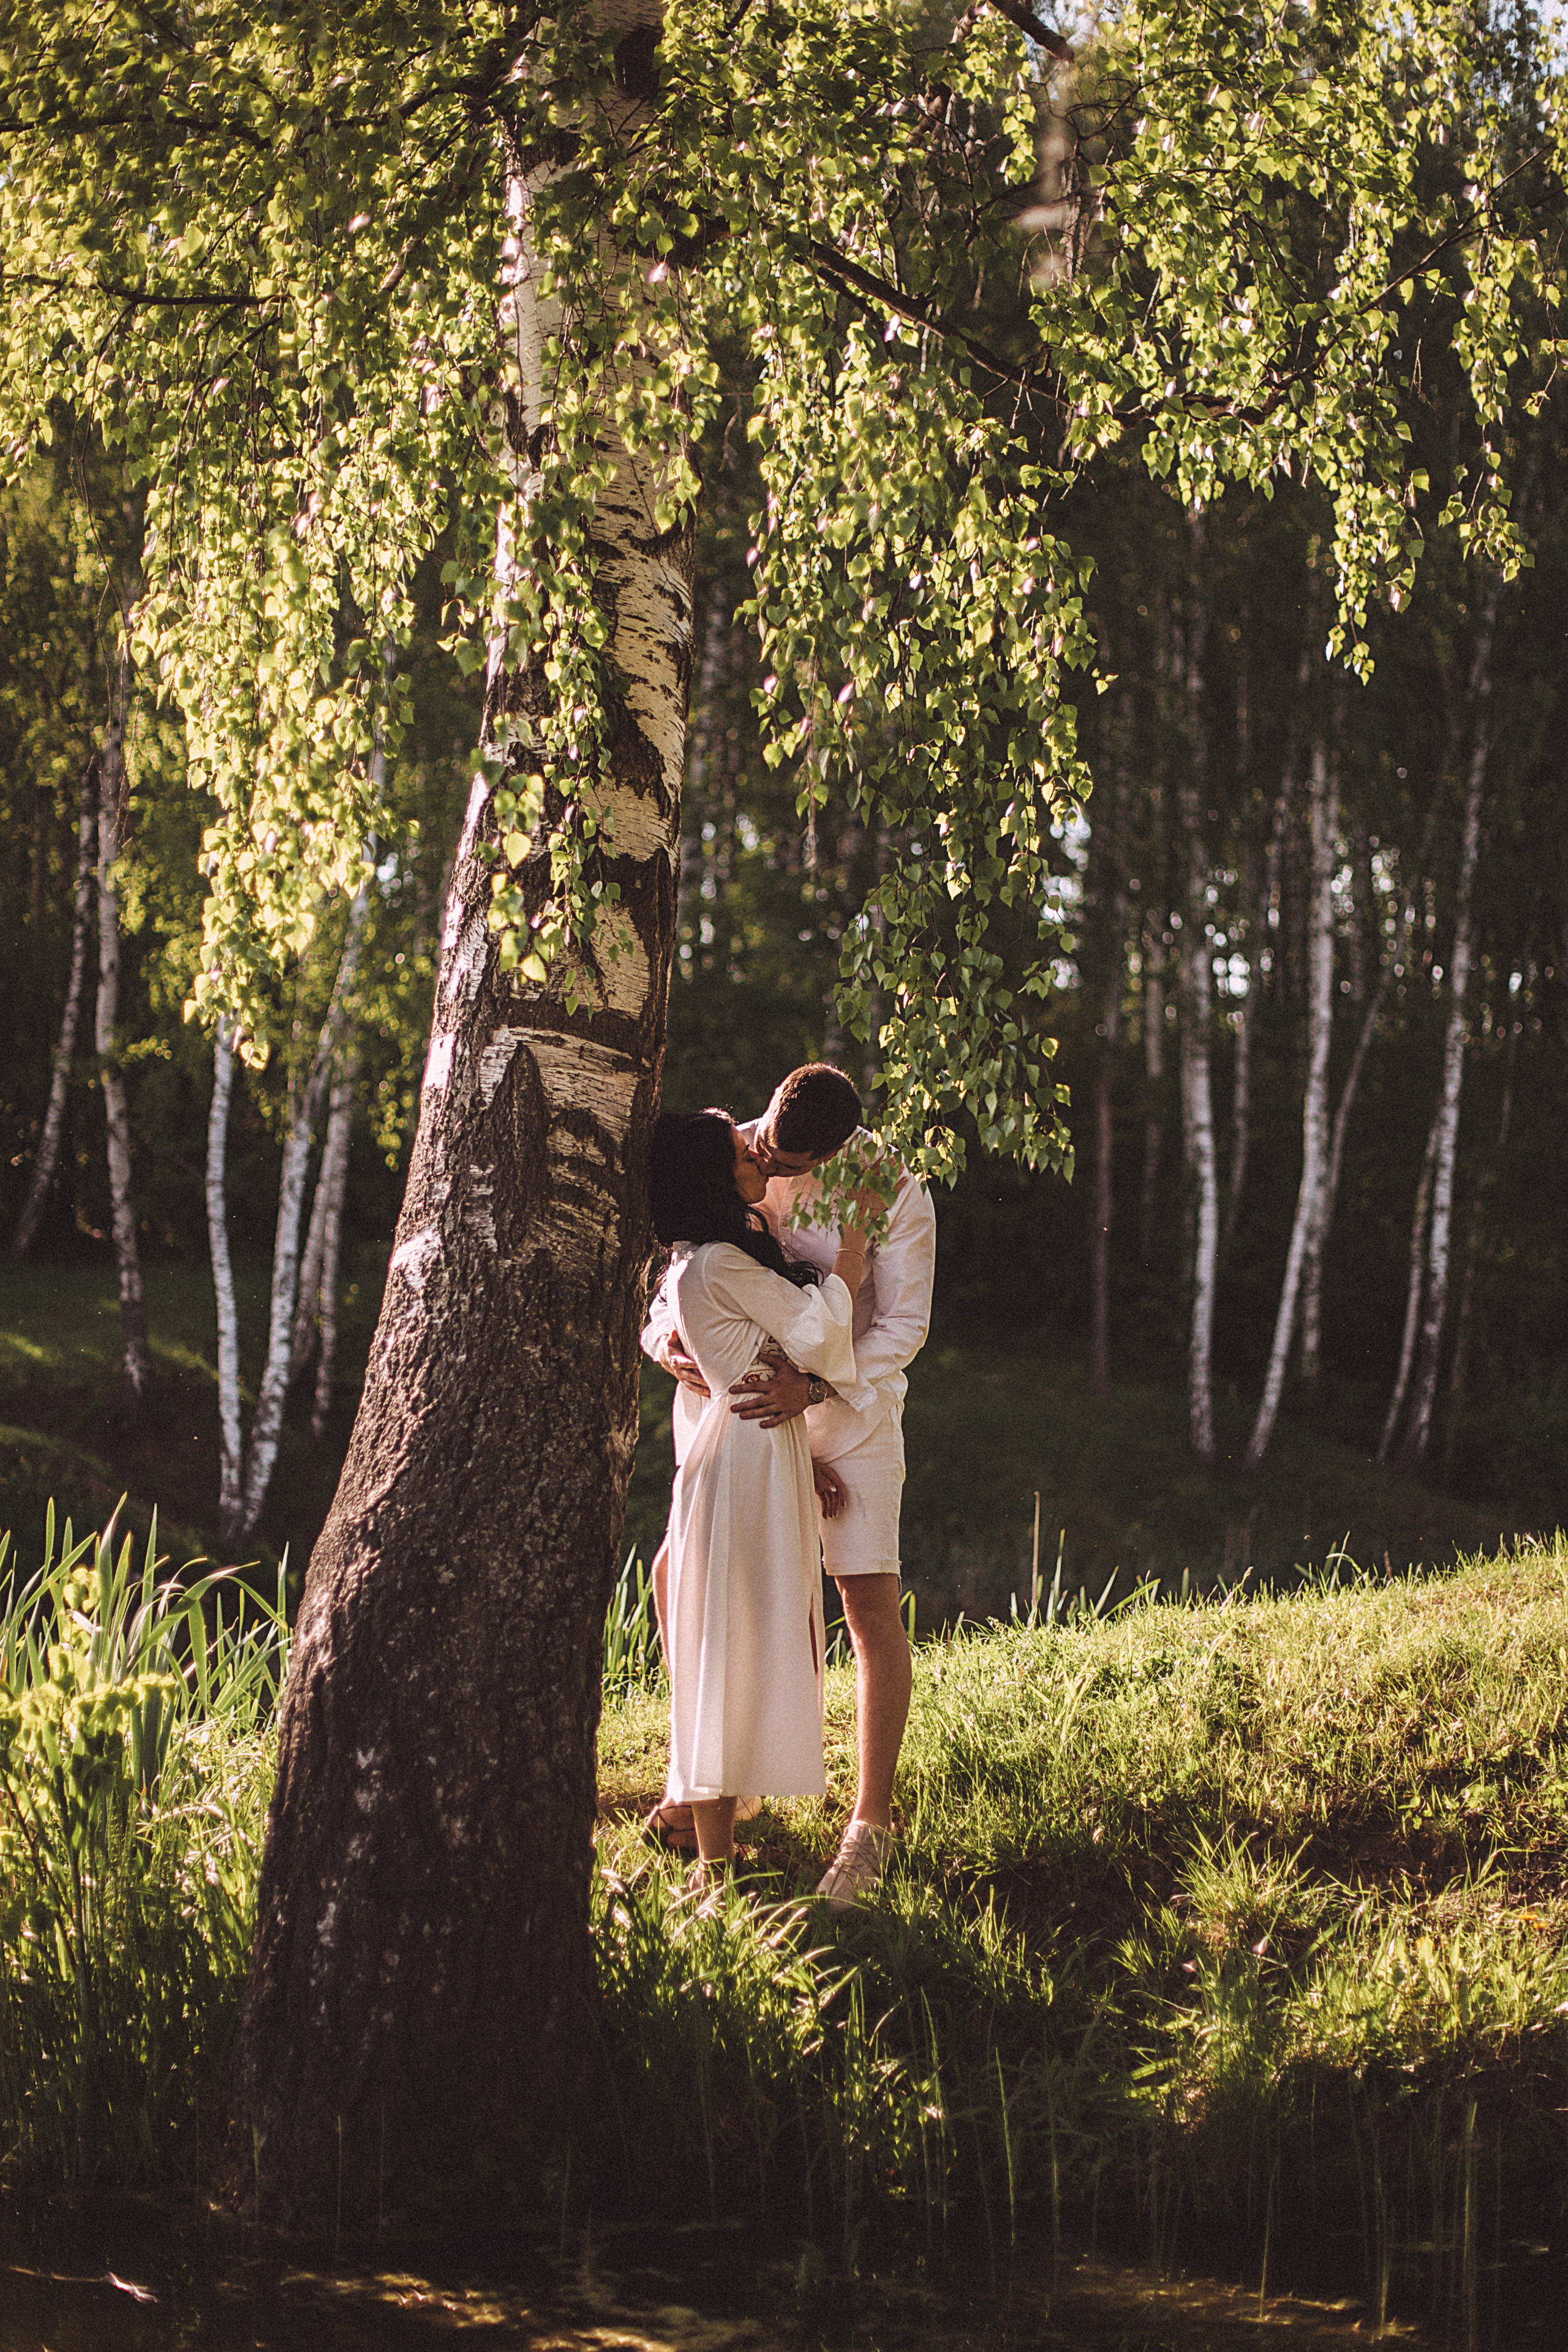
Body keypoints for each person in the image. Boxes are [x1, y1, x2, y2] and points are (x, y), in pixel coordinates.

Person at [644, 1064, 936, 1911]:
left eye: (789, 1156)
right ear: (769, 1104)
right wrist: (670, 1346)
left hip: (848, 1416)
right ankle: (711, 1776)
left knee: (865, 1604)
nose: (769, 1164)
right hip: (735, 1414)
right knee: (680, 1578)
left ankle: (870, 1829)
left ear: (836, 1149)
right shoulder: (731, 1154)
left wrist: (815, 1397)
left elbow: (902, 1327)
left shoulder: (889, 1191)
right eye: (765, 1142)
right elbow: (684, 1274)